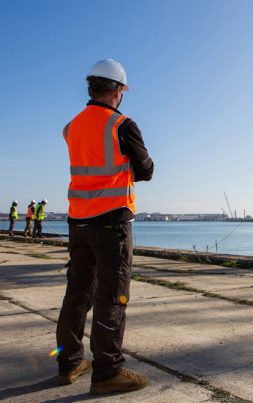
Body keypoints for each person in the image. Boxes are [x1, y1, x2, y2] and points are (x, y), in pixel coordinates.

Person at [55, 59, 154, 395]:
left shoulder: (71, 127)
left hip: (78, 222)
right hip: (111, 223)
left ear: (91, 87)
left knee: (78, 290)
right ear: (118, 90)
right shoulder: (122, 125)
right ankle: (108, 371)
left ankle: (68, 362)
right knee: (112, 294)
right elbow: (146, 169)